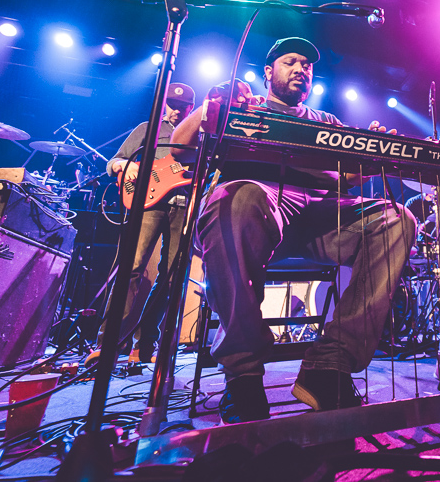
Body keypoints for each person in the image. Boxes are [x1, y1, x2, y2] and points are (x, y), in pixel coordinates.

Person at [172, 37, 416, 423]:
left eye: (307, 64)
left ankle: (329, 366)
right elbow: (180, 150)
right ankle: (244, 374)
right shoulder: (245, 108)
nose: (301, 68)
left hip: (322, 214)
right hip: (259, 208)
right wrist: (214, 103)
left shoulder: (327, 122)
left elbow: (348, 178)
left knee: (397, 218)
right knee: (235, 197)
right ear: (269, 72)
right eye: (291, 61)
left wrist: (374, 154)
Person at [85, 82, 195, 364]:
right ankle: (107, 342)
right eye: (171, 105)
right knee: (131, 269)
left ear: (191, 110)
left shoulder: (198, 134)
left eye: (182, 108)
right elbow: (114, 161)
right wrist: (126, 165)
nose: (175, 111)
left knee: (171, 279)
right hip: (147, 203)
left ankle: (145, 344)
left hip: (183, 206)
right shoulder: (149, 128)